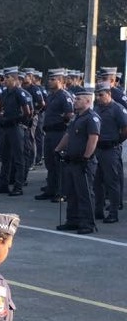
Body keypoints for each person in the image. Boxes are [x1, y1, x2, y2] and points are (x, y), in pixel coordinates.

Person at [55, 87, 100, 234]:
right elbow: (68, 136)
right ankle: (73, 220)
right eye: (75, 99)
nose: (75, 101)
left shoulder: (92, 117)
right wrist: (58, 149)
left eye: (78, 99)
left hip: (83, 162)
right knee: (72, 192)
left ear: (88, 101)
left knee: (84, 193)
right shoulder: (77, 117)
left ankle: (87, 223)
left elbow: (93, 139)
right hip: (72, 161)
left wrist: (86, 157)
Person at [0, 68, 31, 196]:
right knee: (5, 157)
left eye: (7, 78)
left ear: (14, 79)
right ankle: (3, 184)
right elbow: (1, 107)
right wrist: (2, 116)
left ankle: (18, 186)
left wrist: (16, 120)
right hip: (6, 127)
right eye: (5, 78)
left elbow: (27, 112)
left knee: (18, 158)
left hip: (15, 127)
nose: (5, 80)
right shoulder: (5, 92)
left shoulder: (19, 92)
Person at [36, 69, 74, 202]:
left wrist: (60, 121)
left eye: (53, 79)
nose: (50, 81)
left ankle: (61, 192)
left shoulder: (64, 96)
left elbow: (70, 114)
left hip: (59, 132)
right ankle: (51, 189)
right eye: (50, 79)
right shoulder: (51, 95)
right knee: (50, 162)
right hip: (49, 132)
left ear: (60, 81)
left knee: (60, 163)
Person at [91, 83, 127, 223]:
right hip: (98, 149)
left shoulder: (117, 109)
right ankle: (98, 210)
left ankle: (113, 212)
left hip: (110, 149)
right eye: (97, 95)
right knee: (97, 181)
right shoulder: (97, 108)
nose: (99, 98)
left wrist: (116, 141)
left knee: (111, 182)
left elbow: (125, 128)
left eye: (101, 95)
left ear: (109, 94)